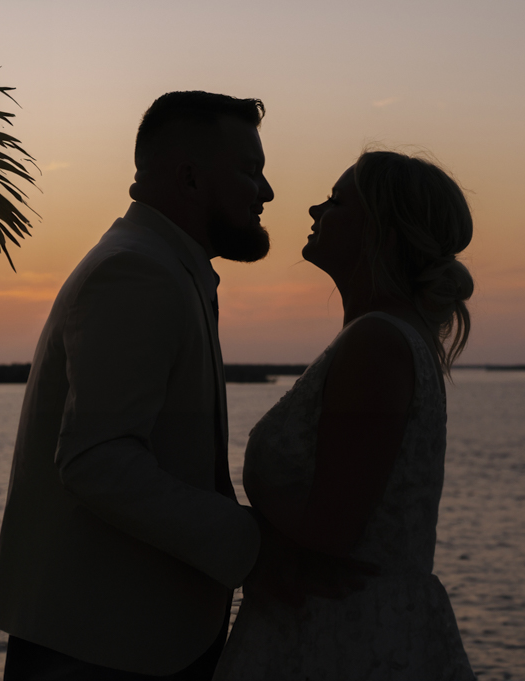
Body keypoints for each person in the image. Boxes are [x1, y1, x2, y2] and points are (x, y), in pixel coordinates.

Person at [0, 91, 274, 680]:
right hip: (102, 654)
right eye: (251, 171)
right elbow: (98, 459)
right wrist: (253, 548)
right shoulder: (138, 271)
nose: (265, 192)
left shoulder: (161, 265)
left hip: (120, 645)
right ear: (190, 177)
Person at [214, 150, 477, 680]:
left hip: (341, 634)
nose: (315, 210)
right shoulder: (385, 336)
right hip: (343, 621)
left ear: (383, 230)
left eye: (335, 201)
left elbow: (332, 529)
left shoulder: (377, 342)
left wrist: (227, 524)